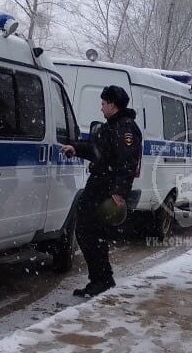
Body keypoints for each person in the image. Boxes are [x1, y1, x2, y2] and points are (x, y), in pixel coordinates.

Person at [61, 85, 142, 297]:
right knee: (88, 232)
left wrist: (119, 192)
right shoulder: (110, 126)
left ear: (113, 105)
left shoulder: (126, 129)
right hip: (98, 185)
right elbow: (96, 150)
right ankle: (101, 279)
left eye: (103, 103)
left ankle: (102, 279)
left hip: (106, 189)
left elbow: (127, 163)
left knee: (91, 233)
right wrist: (76, 148)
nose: (101, 107)